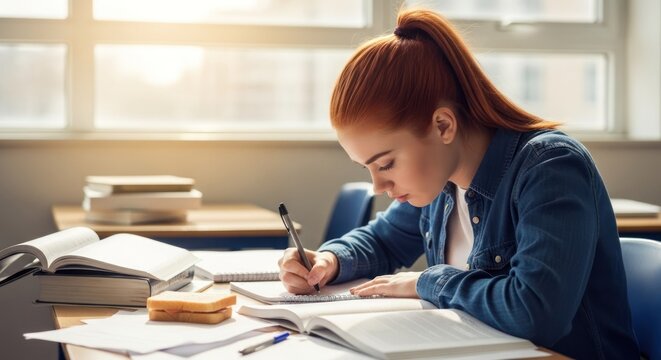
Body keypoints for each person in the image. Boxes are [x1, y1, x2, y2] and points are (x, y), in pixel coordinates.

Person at [277, 8, 639, 359]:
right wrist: (329, 259)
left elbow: (535, 312)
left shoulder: (550, 166)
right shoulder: (441, 184)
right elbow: (382, 240)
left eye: (385, 163)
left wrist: (429, 282)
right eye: (367, 168)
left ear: (443, 126)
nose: (377, 186)